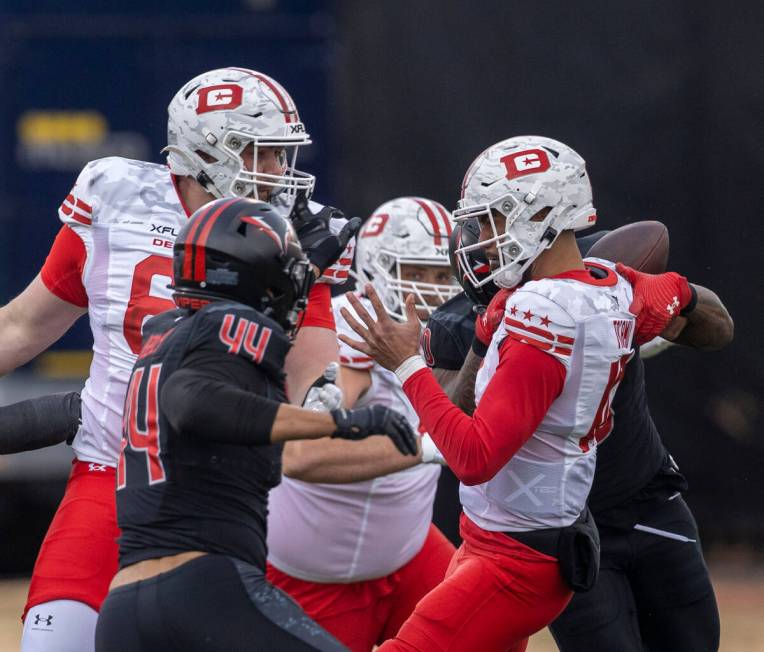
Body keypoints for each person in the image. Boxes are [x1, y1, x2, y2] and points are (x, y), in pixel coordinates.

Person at [0, 67, 357, 652]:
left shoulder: (294, 233)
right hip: (108, 477)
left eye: (281, 155)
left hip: (227, 495)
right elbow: (20, 326)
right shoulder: (116, 200)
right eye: (259, 154)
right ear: (205, 154)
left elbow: (316, 386)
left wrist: (299, 284)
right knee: (56, 643)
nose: (277, 174)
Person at [339, 135, 643, 651]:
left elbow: (475, 456)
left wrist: (409, 364)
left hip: (517, 555)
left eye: (493, 218)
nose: (481, 236)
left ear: (541, 215)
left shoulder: (542, 310)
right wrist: (676, 300)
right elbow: (670, 292)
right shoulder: (601, 286)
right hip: (500, 539)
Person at [94, 197, 417, 652]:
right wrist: (338, 423)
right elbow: (191, 401)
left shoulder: (164, 338)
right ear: (256, 278)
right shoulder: (230, 326)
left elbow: (69, 412)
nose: (295, 288)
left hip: (124, 611)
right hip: (204, 591)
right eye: (287, 274)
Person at [435, 219, 732, 651]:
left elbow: (720, 328)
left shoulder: (599, 275)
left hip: (648, 499)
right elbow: (452, 431)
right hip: (563, 530)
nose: (490, 248)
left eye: (493, 231)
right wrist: (484, 343)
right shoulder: (457, 326)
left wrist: (680, 299)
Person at [266, 197, 459, 651]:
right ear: (376, 270)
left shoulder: (454, 332)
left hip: (408, 551)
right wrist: (434, 446)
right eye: (415, 273)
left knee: (497, 623)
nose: (430, 292)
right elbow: (302, 454)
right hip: (320, 572)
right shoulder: (348, 331)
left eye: (441, 276)